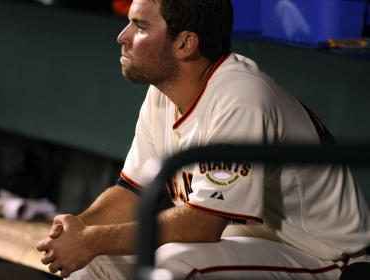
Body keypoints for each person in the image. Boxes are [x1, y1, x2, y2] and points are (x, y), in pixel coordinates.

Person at [36, 0, 370, 279]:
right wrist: (79, 229)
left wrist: (93, 239)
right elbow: (132, 192)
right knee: (94, 265)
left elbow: (202, 226)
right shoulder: (162, 93)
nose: (122, 37)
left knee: (172, 266)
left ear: (185, 44)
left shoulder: (241, 97)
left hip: (323, 258)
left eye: (140, 27)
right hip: (242, 246)